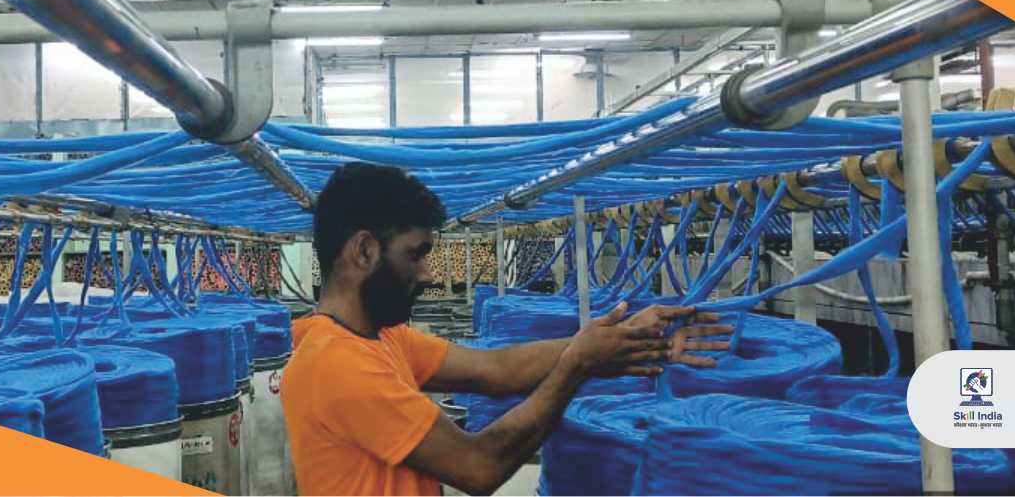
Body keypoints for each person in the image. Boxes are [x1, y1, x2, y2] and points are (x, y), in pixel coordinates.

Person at [283, 162, 733, 496]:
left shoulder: (378, 338)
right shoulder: (340, 365)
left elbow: (498, 370)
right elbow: (478, 466)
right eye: (415, 255)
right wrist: (578, 365)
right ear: (364, 251)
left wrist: (625, 338)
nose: (426, 275)